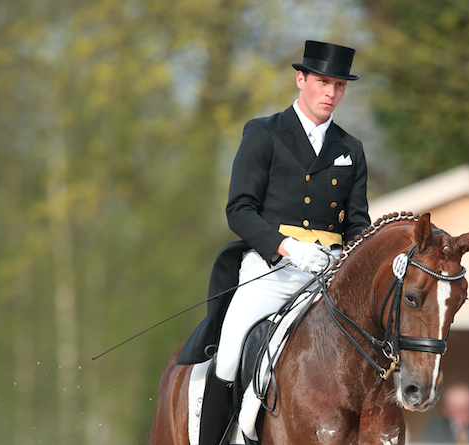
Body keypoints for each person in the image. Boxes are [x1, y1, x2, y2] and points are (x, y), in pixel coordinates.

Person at [188, 40, 371, 445]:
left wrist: (347, 259)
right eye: (323, 82)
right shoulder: (264, 133)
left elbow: (359, 223)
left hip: (328, 274)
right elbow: (239, 210)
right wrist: (289, 247)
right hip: (271, 270)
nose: (331, 93)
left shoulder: (351, 149)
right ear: (301, 79)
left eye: (339, 86)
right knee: (231, 351)